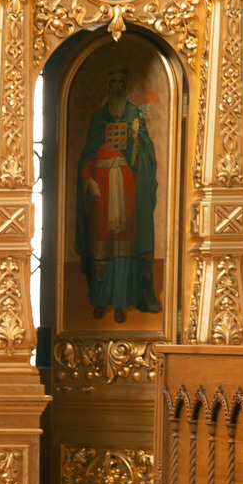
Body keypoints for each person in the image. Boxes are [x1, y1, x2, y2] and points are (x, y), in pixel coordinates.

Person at [74, 67, 162, 321]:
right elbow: (86, 157)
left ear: (125, 87)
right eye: (111, 81)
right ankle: (101, 299)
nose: (116, 86)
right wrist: (89, 180)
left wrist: (135, 137)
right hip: (102, 191)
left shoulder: (135, 115)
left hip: (126, 188)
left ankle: (123, 301)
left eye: (120, 82)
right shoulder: (98, 118)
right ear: (107, 86)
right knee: (102, 243)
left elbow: (144, 158)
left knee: (125, 245)